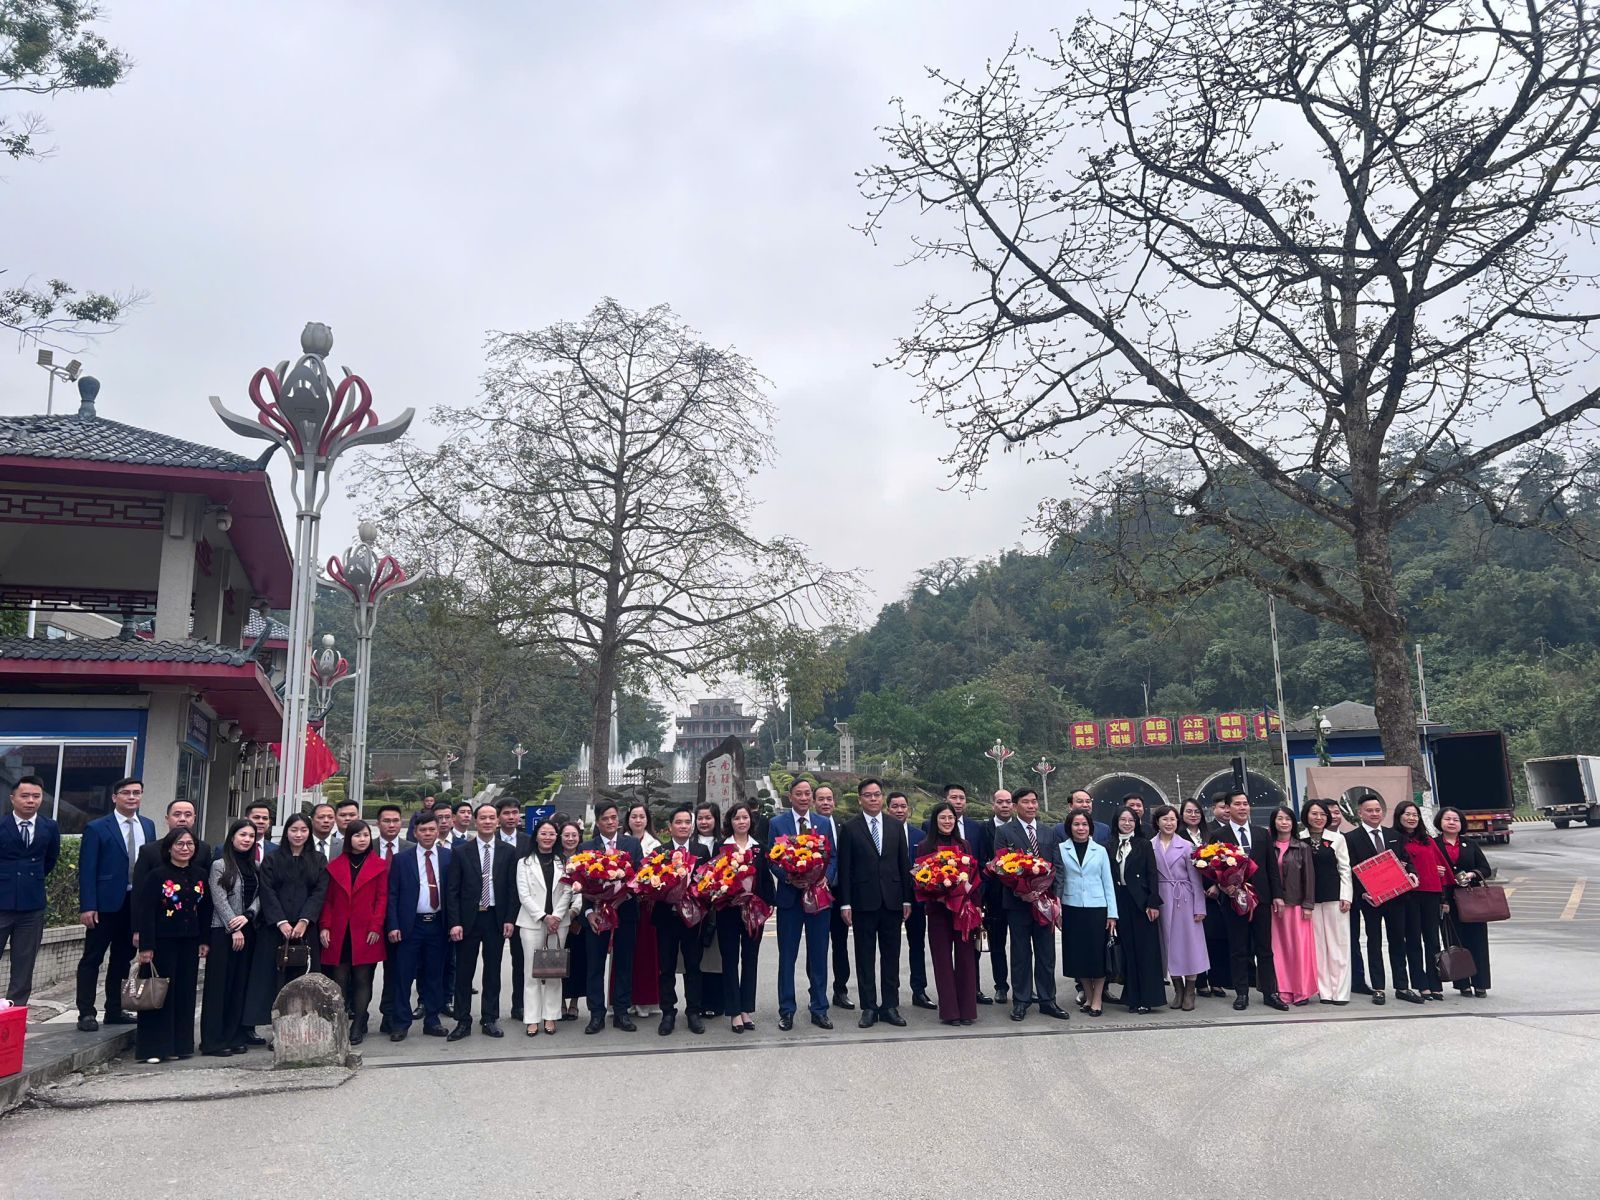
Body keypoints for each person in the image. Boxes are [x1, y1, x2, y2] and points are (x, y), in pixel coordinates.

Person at [74, 777, 156, 1031]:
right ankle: (86, 1012)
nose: (132, 797)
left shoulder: (148, 825)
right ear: (114, 797)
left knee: (123, 958)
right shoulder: (98, 827)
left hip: (134, 903)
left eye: (137, 793)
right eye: (126, 793)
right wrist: (88, 905)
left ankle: (114, 1009)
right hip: (104, 904)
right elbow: (87, 869)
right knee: (93, 957)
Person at [837, 779, 913, 1029]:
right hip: (862, 902)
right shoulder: (850, 828)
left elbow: (903, 864)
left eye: (877, 794)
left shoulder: (895, 825)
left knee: (891, 956)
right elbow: (845, 868)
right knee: (865, 956)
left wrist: (906, 898)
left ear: (882, 797)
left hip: (892, 900)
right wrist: (845, 904)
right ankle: (869, 1007)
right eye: (868, 795)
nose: (873, 799)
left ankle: (890, 1006)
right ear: (860, 799)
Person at [131, 828, 211, 1063]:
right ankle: (154, 1048)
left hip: (190, 941)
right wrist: (146, 947)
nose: (185, 848)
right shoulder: (157, 875)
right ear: (169, 848)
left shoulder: (200, 875)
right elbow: (146, 911)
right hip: (161, 942)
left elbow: (205, 910)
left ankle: (180, 1045)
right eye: (179, 844)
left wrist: (204, 940)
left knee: (185, 993)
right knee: (159, 993)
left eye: (189, 844)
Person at [768, 778, 837, 1031]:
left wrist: (825, 878)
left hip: (818, 897)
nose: (804, 798)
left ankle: (819, 1008)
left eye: (808, 793)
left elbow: (833, 856)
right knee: (788, 956)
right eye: (799, 793)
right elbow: (772, 859)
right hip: (790, 898)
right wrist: (788, 877)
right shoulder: (777, 823)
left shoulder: (823, 823)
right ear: (790, 796)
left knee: (819, 954)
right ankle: (786, 1010)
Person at [445, 803, 517, 1040]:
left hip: (496, 918)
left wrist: (510, 918)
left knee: (493, 971)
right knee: (464, 972)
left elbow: (512, 889)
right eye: (483, 818)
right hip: (469, 919)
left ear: (497, 821)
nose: (487, 821)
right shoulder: (461, 851)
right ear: (475, 821)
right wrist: (454, 922)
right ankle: (462, 1020)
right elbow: (452, 890)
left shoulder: (508, 851)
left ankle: (489, 1018)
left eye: (491, 818)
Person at [995, 788, 1068, 1021]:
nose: (1031, 806)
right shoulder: (1004, 832)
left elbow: (1058, 866)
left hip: (1045, 902)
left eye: (1034, 802)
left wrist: (1055, 896)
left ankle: (1048, 1000)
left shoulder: (1048, 832)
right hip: (1018, 904)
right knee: (1021, 954)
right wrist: (1022, 892)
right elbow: (1001, 867)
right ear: (1015, 806)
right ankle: (1021, 1000)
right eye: (1026, 802)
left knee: (1046, 953)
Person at [319, 819, 390, 1045]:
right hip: (340, 931)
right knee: (339, 979)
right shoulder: (335, 865)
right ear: (348, 838)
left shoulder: (379, 865)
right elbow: (328, 901)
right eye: (357, 835)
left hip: (366, 931)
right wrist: (325, 926)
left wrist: (376, 926)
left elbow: (382, 899)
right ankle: (340, 1022)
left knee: (362, 978)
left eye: (366, 835)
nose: (362, 839)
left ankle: (358, 1023)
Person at [1216, 792, 1288, 1011]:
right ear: (1228, 808)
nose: (1242, 808)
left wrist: (1277, 895)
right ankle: (1242, 993)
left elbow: (1272, 868)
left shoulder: (1261, 833)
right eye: (1237, 804)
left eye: (1245, 804)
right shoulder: (1219, 835)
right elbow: (1213, 868)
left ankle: (1270, 992)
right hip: (1234, 899)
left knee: (1265, 948)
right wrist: (1222, 886)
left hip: (1261, 899)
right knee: (1238, 948)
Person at [577, 801, 643, 1034]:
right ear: (597, 822)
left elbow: (639, 879)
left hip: (625, 913)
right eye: (605, 818)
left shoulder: (632, 844)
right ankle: (596, 1015)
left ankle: (621, 1012)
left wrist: (619, 900)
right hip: (596, 915)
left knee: (624, 964)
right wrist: (589, 913)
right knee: (595, 966)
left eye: (614, 817)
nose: (610, 822)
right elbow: (579, 885)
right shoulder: (586, 848)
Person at [386, 810, 452, 1040]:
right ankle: (401, 1022)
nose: (427, 833)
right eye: (423, 830)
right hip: (410, 926)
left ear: (438, 831)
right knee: (404, 975)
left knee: (434, 975)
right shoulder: (402, 859)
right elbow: (392, 894)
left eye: (432, 829)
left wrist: (454, 923)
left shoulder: (448, 857)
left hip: (438, 924)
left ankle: (432, 1020)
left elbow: (453, 892)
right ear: (415, 832)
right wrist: (393, 925)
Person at [1344, 793, 1415, 1006]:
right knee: (1374, 943)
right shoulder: (1351, 838)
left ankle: (1402, 986)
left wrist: (1412, 874)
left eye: (1377, 810)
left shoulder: (1394, 835)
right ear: (1360, 813)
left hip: (1397, 897)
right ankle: (1378, 988)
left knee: (1398, 942)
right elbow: (1350, 870)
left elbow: (1406, 860)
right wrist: (1361, 893)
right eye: (1369, 810)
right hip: (1370, 900)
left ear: (1382, 812)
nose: (1374, 814)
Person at [200, 820, 261, 1056]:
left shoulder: (256, 866)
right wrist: (233, 926)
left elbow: (261, 895)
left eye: (251, 836)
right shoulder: (219, 864)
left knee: (239, 985)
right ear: (232, 837)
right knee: (219, 986)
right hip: (222, 932)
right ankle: (213, 1041)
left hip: (248, 930)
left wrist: (248, 916)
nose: (247, 839)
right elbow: (219, 898)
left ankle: (234, 1036)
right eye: (242, 834)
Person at [256, 813, 329, 1005]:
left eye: (303, 830)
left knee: (305, 978)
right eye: (294, 830)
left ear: (309, 832)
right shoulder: (272, 859)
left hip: (306, 929)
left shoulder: (319, 859)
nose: (298, 835)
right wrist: (281, 922)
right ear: (286, 832)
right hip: (275, 928)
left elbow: (319, 892)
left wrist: (305, 920)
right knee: (273, 979)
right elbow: (267, 891)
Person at [0, 775, 60, 1006]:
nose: (30, 801)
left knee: (24, 964)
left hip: (32, 906)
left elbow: (50, 860)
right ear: (12, 798)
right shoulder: (2, 824)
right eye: (25, 796)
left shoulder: (49, 827)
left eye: (36, 796)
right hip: (2, 902)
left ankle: (16, 1011)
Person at [653, 805, 712, 1036]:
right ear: (670, 827)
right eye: (678, 822)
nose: (683, 826)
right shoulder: (660, 852)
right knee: (666, 967)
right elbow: (652, 883)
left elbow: (708, 882)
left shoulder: (701, 851)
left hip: (693, 919)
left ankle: (693, 1012)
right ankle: (668, 1012)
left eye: (687, 822)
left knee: (693, 966)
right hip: (666, 918)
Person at [919, 800, 978, 1025]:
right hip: (938, 911)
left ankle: (967, 1010)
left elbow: (973, 877)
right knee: (942, 960)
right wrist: (939, 896)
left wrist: (975, 904)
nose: (947, 821)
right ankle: (950, 1012)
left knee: (966, 959)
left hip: (963, 910)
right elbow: (921, 878)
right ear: (935, 821)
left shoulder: (964, 845)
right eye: (942, 818)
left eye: (951, 818)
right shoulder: (925, 846)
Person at [716, 801, 774, 1033]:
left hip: (753, 911)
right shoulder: (721, 847)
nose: (741, 822)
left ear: (751, 820)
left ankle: (746, 1009)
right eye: (737, 818)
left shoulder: (760, 847)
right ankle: (733, 1011)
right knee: (729, 960)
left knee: (751, 959)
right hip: (728, 911)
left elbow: (766, 880)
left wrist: (768, 904)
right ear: (730, 822)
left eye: (745, 817)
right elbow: (714, 878)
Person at [514, 816, 572, 1037]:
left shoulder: (564, 862)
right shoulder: (524, 863)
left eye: (551, 834)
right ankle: (532, 1018)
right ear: (536, 836)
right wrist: (543, 917)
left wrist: (556, 916)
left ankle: (550, 1016)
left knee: (554, 971)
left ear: (556, 837)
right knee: (532, 973)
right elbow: (524, 895)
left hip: (559, 923)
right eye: (543, 833)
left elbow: (568, 891)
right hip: (532, 923)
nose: (547, 837)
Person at [1053, 810, 1112, 1016]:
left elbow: (1108, 882)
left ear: (1090, 827)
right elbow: (1058, 880)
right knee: (1079, 955)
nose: (1081, 828)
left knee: (1097, 955)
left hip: (1097, 908)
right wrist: (1058, 910)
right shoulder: (1061, 849)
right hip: (1072, 907)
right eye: (1076, 824)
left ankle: (1097, 999)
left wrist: (1112, 914)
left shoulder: (1100, 850)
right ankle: (1088, 994)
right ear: (1069, 827)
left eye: (1084, 824)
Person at [1150, 804, 1207, 1011]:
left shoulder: (1186, 846)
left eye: (1172, 819)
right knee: (1168, 945)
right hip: (1163, 899)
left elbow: (1195, 880)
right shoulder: (1150, 845)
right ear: (1157, 822)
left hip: (1184, 898)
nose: (1169, 823)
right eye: (1165, 819)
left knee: (1189, 945)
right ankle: (1178, 989)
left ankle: (1190, 989)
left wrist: (1199, 907)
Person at [1436, 806, 1494, 998]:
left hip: (1471, 899)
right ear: (1440, 822)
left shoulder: (1470, 844)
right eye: (1447, 819)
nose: (1452, 823)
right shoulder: (1434, 844)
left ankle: (1480, 983)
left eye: (1456, 820)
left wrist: (1472, 874)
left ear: (1461, 824)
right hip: (1448, 900)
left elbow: (1485, 869)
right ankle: (1462, 984)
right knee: (1455, 942)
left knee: (1477, 941)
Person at [1394, 799, 1446, 1002]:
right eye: (1407, 814)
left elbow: (1441, 867)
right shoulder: (1395, 839)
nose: (1411, 818)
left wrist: (1443, 895)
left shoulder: (1428, 840)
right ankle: (1421, 984)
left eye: (1415, 815)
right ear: (1399, 817)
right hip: (1410, 895)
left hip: (1432, 893)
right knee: (1414, 940)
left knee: (1433, 940)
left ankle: (1435, 983)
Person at [1301, 799, 1352, 1004]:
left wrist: (1346, 896)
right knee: (1318, 947)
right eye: (1314, 814)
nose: (1319, 818)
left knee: (1339, 944)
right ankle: (1324, 991)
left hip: (1335, 898)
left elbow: (1345, 869)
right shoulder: (1299, 838)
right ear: (1306, 816)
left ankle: (1340, 992)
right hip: (1310, 900)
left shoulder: (1337, 839)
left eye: (1323, 814)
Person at [888, 792, 933, 1009]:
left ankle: (919, 990)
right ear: (888, 809)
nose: (899, 810)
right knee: (891, 947)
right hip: (890, 897)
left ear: (909, 809)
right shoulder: (884, 834)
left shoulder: (920, 836)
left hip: (916, 898)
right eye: (895, 806)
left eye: (903, 806)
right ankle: (891, 993)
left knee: (917, 945)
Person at [1268, 806, 1318, 1006]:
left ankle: (1301, 990)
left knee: (1299, 949)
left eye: (1288, 819)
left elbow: (1309, 878)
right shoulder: (1268, 846)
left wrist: (1308, 904)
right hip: (1275, 907)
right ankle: (1283, 989)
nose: (1284, 822)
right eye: (1280, 818)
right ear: (1274, 822)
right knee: (1279, 950)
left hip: (1297, 906)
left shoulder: (1302, 847)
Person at [1178, 797, 1227, 996]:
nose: (1193, 815)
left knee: (1215, 937)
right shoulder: (1178, 837)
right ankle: (1199, 982)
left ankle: (1217, 980)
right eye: (1189, 811)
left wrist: (1216, 884)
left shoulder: (1211, 835)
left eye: (1196, 811)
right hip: (1189, 894)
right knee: (1196, 939)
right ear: (1182, 814)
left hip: (1212, 893)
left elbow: (1222, 863)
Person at [814, 785, 854, 1012]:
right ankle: (816, 992)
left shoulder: (843, 827)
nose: (825, 803)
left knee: (840, 944)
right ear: (814, 802)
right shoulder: (810, 827)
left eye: (829, 799)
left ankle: (841, 990)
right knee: (817, 945)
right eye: (821, 799)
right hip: (816, 892)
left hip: (840, 893)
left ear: (835, 802)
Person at [496, 799, 530, 1023]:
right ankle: (490, 1011)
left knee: (520, 960)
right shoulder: (489, 839)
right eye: (506, 813)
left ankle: (519, 1005)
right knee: (493, 963)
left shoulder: (528, 841)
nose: (511, 817)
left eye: (515, 812)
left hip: (522, 910)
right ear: (499, 817)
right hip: (494, 909)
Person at [131, 799, 211, 894]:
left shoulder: (204, 849)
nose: (182, 819)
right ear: (167, 818)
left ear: (194, 818)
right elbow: (139, 890)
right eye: (177, 814)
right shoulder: (148, 851)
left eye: (188, 815)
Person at [693, 802, 724, 1019]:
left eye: (708, 818)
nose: (704, 822)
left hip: (719, 907)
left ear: (716, 819)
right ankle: (697, 1002)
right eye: (700, 818)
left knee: (717, 957)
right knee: (696, 956)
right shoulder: (691, 845)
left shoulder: (723, 845)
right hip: (696, 907)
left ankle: (716, 1002)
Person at [558, 820, 588, 1021]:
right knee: (558, 960)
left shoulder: (586, 859)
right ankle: (559, 1001)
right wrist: (562, 914)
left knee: (578, 961)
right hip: (557, 917)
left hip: (580, 918)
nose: (570, 839)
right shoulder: (554, 859)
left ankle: (574, 1003)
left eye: (574, 835)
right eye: (566, 835)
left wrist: (576, 911)